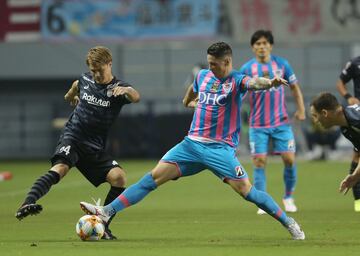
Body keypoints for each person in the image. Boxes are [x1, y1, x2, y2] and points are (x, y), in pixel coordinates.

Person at [79, 42, 305, 240]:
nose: (210, 67)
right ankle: (106, 211)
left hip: (219, 149)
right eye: (208, 63)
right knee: (152, 178)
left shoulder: (237, 80)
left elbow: (255, 83)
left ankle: (289, 223)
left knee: (248, 192)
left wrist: (271, 83)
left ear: (226, 62)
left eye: (214, 64)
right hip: (190, 145)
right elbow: (191, 91)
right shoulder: (203, 75)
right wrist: (188, 102)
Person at [15, 46, 140, 240]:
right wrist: (71, 96)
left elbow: (136, 96)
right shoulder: (85, 79)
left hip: (94, 146)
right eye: (93, 70)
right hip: (73, 136)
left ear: (110, 64)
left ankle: (103, 224)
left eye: (100, 70)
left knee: (119, 178)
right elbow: (73, 89)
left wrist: (127, 90)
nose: (97, 74)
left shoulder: (118, 88)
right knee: (61, 168)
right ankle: (27, 203)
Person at [239, 30, 306, 214]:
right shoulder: (246, 69)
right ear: (253, 47)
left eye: (265, 43)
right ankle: (262, 201)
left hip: (281, 123)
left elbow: (294, 87)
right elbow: (237, 92)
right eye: (258, 43)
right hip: (257, 125)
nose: (261, 46)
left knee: (289, 159)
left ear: (271, 45)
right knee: (259, 161)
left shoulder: (282, 64)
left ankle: (288, 197)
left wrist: (301, 109)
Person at [310, 92, 360, 197]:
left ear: (324, 113)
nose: (315, 121)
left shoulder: (356, 120)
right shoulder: (346, 128)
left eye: (315, 116)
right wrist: (355, 176)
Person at [336, 55, 360, 211]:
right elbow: (340, 82)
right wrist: (349, 97)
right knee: (357, 154)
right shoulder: (354, 63)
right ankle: (358, 199)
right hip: (358, 114)